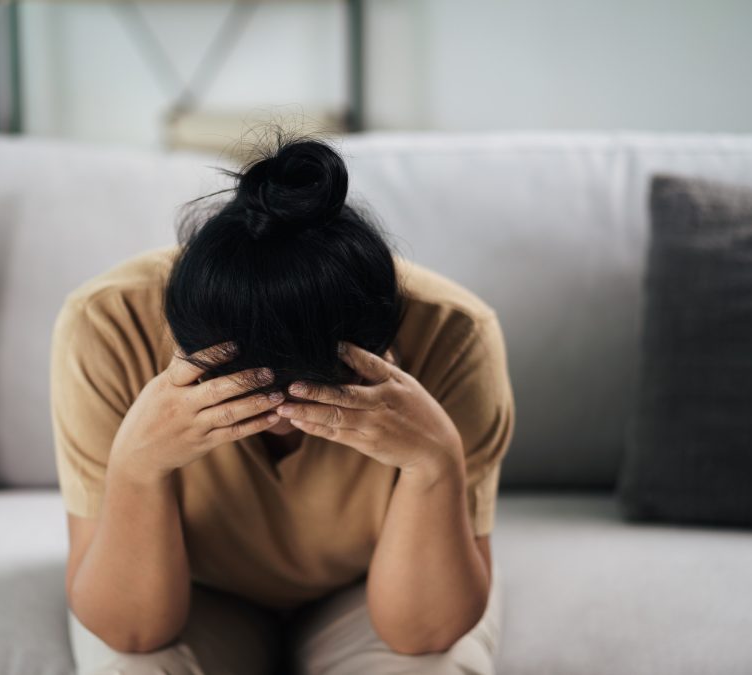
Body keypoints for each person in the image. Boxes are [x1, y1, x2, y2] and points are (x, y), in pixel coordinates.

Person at [49, 126, 514, 674]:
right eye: (248, 393)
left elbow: (424, 635)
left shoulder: (455, 334)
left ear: (382, 347)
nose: (282, 424)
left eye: (317, 392)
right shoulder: (105, 324)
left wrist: (434, 464)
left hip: (368, 583)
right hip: (194, 584)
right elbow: (133, 631)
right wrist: (137, 468)